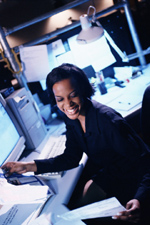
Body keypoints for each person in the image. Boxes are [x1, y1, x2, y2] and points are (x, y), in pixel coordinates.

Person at [1, 63, 150, 224]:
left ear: (83, 90)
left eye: (73, 95)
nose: (68, 104)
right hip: (112, 172)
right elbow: (71, 157)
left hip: (135, 180)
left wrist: (140, 200)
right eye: (60, 99)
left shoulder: (108, 121)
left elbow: (146, 163)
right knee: (75, 209)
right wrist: (29, 166)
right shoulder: (71, 117)